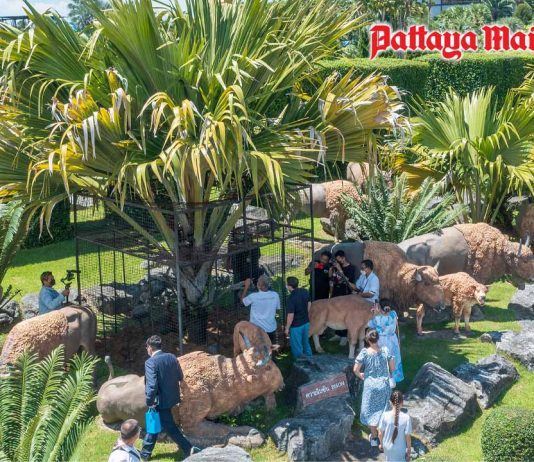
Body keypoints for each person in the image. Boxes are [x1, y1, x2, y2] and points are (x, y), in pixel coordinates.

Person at [141, 335, 200, 460]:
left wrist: (149, 401)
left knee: (166, 426)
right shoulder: (172, 357)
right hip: (171, 399)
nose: (146, 349)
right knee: (156, 424)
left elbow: (152, 385)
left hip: (158, 401)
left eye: (146, 347)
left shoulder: (150, 362)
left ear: (150, 347)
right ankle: (145, 453)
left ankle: (189, 448)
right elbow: (180, 376)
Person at [353, 329, 395, 448]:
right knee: (384, 412)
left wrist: (361, 376)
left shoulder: (364, 353)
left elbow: (355, 369)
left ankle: (374, 438)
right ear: (378, 339)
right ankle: (384, 438)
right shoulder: (385, 350)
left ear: (367, 340)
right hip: (384, 385)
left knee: (371, 412)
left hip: (370, 387)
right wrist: (388, 374)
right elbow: (392, 367)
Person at [368, 305, 404, 383]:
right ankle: (393, 378)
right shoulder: (393, 313)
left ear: (380, 307)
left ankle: (383, 379)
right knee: (393, 357)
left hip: (381, 340)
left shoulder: (378, 317)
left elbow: (370, 324)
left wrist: (374, 313)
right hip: (392, 339)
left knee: (382, 359)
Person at [241, 274, 281, 343]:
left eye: (258, 282)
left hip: (257, 330)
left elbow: (242, 302)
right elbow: (277, 308)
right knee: (271, 347)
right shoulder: (275, 295)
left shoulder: (253, 296)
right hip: (271, 329)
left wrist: (246, 286)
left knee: (258, 348)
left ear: (259, 285)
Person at [329, 250, 357, 345]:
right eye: (337, 260)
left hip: (345, 294)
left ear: (343, 258)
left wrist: (339, 269)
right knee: (336, 314)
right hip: (336, 293)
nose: (338, 262)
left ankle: (345, 336)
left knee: (344, 315)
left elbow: (348, 281)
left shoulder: (351, 268)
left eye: (339, 259)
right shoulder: (336, 268)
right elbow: (332, 279)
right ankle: (338, 334)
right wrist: (332, 269)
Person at [378, 390, 412, 462]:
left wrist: (381, 444)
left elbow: (380, 433)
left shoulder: (385, 415)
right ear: (402, 403)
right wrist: (409, 450)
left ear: (390, 402)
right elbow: (408, 437)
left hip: (387, 447)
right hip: (400, 450)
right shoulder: (406, 418)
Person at [285, 276, 312, 359]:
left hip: (296, 326)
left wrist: (287, 328)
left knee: (297, 346)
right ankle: (311, 359)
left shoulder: (291, 298)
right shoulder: (304, 291)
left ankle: (300, 363)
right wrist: (306, 314)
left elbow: (290, 316)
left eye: (286, 284)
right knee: (306, 342)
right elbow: (309, 303)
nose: (286, 286)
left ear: (289, 286)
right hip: (306, 322)